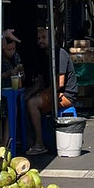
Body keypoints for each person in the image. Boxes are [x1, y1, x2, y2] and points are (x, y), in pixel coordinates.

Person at [25, 27, 77, 155]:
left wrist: (40, 95)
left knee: (32, 103)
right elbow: (40, 81)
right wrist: (30, 93)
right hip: (51, 92)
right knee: (26, 100)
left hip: (65, 95)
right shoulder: (43, 56)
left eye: (43, 38)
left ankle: (39, 143)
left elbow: (59, 83)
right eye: (38, 38)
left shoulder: (60, 54)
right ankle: (27, 139)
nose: (40, 41)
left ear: (52, 39)